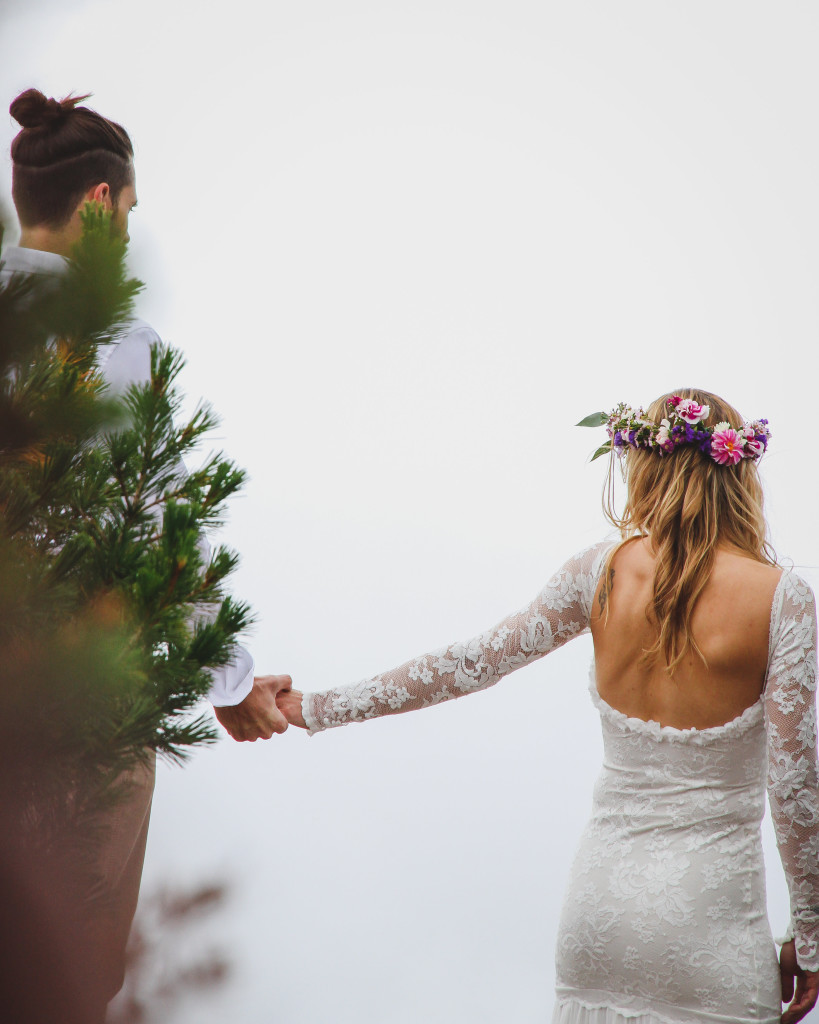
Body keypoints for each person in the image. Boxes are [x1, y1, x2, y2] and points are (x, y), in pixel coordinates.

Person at [277, 389, 819, 1024]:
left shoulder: (602, 572)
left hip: (597, 920)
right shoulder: (783, 600)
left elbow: (470, 663)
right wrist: (810, 938)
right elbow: (794, 787)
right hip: (712, 926)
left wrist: (313, 706)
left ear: (642, 464)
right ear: (740, 472)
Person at [1, 88, 293, 1019]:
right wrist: (232, 680)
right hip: (79, 702)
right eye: (127, 215)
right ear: (97, 203)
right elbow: (162, 527)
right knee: (69, 976)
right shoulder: (116, 343)